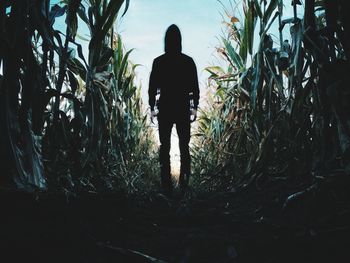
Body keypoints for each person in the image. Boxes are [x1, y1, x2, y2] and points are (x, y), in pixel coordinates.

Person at [148, 24, 200, 196]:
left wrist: (152, 108)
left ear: (166, 41)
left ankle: (166, 185)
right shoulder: (188, 61)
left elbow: (152, 88)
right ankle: (184, 183)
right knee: (184, 145)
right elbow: (195, 88)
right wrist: (194, 108)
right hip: (182, 107)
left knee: (165, 146)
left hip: (166, 108)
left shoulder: (159, 62)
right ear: (180, 41)